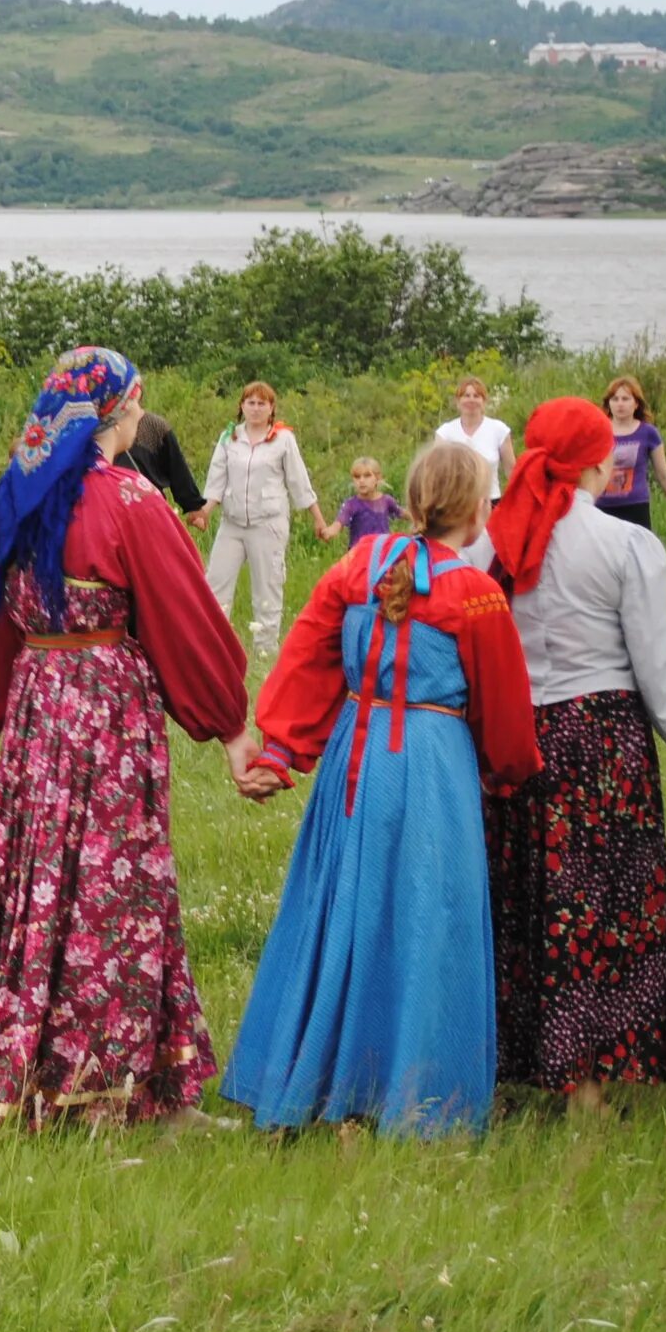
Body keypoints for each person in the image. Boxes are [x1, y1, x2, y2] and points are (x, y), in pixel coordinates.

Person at [0, 348, 249, 1134]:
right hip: (105, 714)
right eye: (135, 402)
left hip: (38, 709)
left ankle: (47, 1078)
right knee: (119, 891)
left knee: (39, 889)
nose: (139, 413)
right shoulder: (132, 501)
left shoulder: (16, 496)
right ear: (114, 412)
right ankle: (111, 1092)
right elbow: (187, 621)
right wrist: (230, 728)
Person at [223, 443, 542, 1137]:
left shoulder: (357, 566)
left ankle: (321, 1084)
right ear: (473, 510)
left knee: (344, 911)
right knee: (427, 920)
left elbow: (308, 655)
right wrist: (510, 770)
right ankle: (411, 1096)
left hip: (355, 758)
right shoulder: (475, 592)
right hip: (432, 768)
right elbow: (506, 709)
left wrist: (282, 752)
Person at [479, 399, 666, 1114]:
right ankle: (591, 1079)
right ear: (596, 459)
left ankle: (539, 1064)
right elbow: (660, 665)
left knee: (534, 900)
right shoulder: (623, 544)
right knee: (603, 908)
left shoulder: (493, 541)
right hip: (602, 741)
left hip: (519, 739)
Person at [197, 381, 320, 657]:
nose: (255, 409)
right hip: (233, 523)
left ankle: (265, 650)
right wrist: (204, 511)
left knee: (268, 586)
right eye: (250, 403)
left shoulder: (282, 439)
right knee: (215, 583)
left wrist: (318, 519)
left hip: (268, 523)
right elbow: (216, 480)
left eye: (261, 404)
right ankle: (214, 649)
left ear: (271, 408)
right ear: (241, 406)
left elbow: (298, 481)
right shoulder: (229, 437)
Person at [594, 375, 666, 533]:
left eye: (625, 399)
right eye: (615, 399)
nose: (620, 404)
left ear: (636, 403)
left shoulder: (648, 433)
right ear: (609, 403)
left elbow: (663, 474)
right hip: (602, 507)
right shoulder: (597, 431)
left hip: (635, 506)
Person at [434, 377, 516, 505]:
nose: (471, 400)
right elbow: (437, 474)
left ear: (484, 401)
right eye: (466, 395)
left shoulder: (499, 429)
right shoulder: (445, 433)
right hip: (456, 504)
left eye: (476, 396)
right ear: (458, 401)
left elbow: (511, 471)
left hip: (490, 502)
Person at [124, 408, 206, 521]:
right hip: (115, 512)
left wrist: (193, 505)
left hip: (151, 510)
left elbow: (176, 466)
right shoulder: (100, 430)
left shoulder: (154, 426)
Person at [322, 457, 402, 545]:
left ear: (378, 478)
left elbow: (401, 512)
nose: (361, 481)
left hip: (382, 552)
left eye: (367, 476)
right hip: (359, 553)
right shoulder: (351, 504)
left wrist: (417, 516)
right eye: (357, 477)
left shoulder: (386, 500)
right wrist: (330, 531)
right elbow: (339, 522)